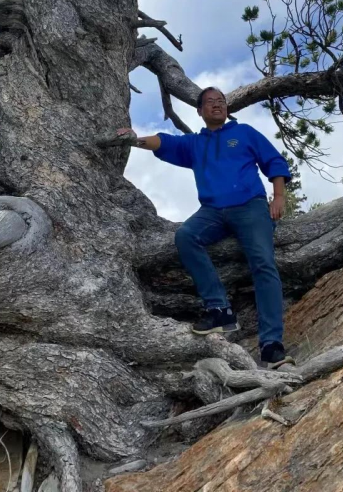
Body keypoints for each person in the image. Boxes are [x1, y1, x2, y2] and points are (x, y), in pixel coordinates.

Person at [118, 86, 295, 369]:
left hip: (250, 205)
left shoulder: (244, 133)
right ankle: (219, 309)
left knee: (263, 263)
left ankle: (271, 345)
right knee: (186, 236)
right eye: (210, 102)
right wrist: (133, 140)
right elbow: (164, 142)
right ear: (200, 111)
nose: (217, 105)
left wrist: (280, 196)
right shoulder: (194, 144)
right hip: (212, 212)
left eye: (221, 101)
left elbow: (274, 160)